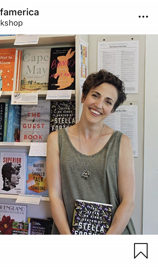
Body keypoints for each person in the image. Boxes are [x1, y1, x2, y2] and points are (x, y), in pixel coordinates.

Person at [46, 69, 136, 235]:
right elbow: (56, 196)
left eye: (108, 102)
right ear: (83, 97)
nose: (99, 105)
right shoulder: (55, 139)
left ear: (113, 110)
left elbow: (128, 201)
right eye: (95, 95)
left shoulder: (122, 142)